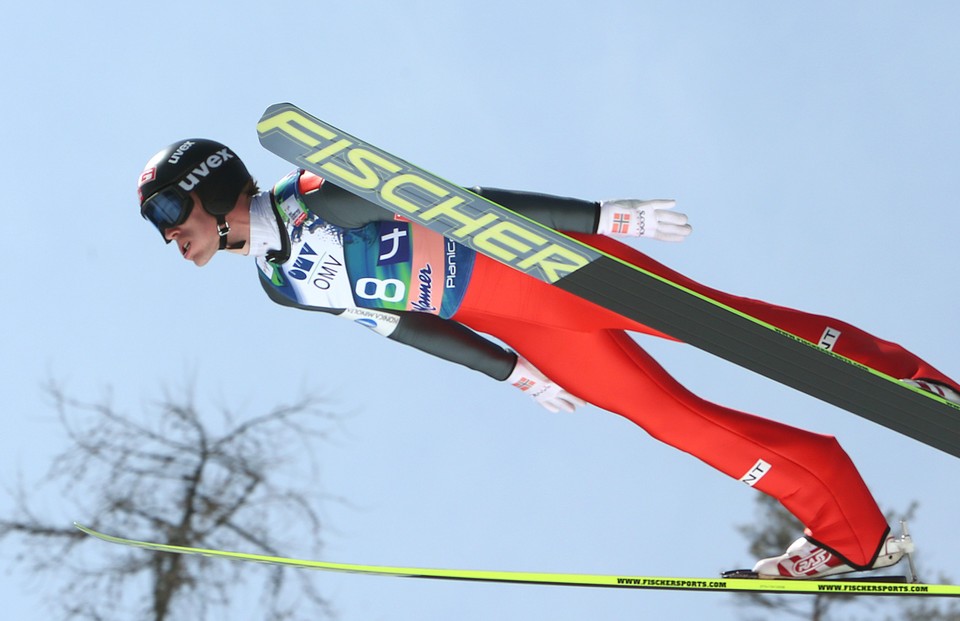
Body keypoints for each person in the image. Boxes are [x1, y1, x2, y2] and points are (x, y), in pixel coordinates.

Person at [138, 138, 959, 579]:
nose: (171, 234)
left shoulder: (315, 193)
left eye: (170, 209)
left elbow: (466, 204)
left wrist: (596, 217)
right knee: (675, 422)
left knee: (730, 327)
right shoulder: (280, 286)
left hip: (537, 269)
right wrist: (511, 371)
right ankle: (854, 532)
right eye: (158, 224)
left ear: (211, 185)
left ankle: (915, 382)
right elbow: (393, 323)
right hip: (521, 326)